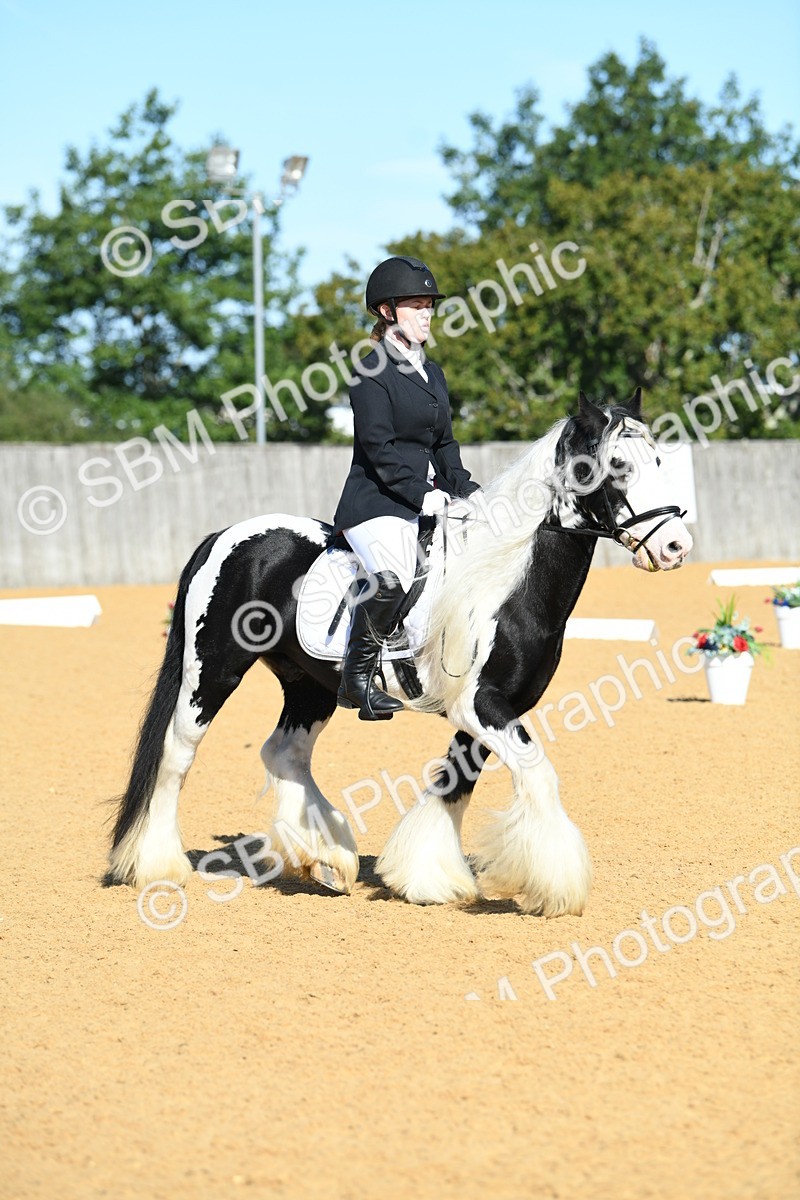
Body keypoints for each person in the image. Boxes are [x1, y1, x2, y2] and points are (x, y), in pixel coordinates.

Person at [333, 255, 481, 720]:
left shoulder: (431, 372)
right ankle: (355, 681)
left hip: (424, 500)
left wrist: (468, 491)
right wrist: (423, 494)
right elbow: (378, 448)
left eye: (429, 306)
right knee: (394, 575)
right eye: (417, 306)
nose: (427, 314)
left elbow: (444, 443)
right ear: (386, 311)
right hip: (376, 503)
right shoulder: (370, 369)